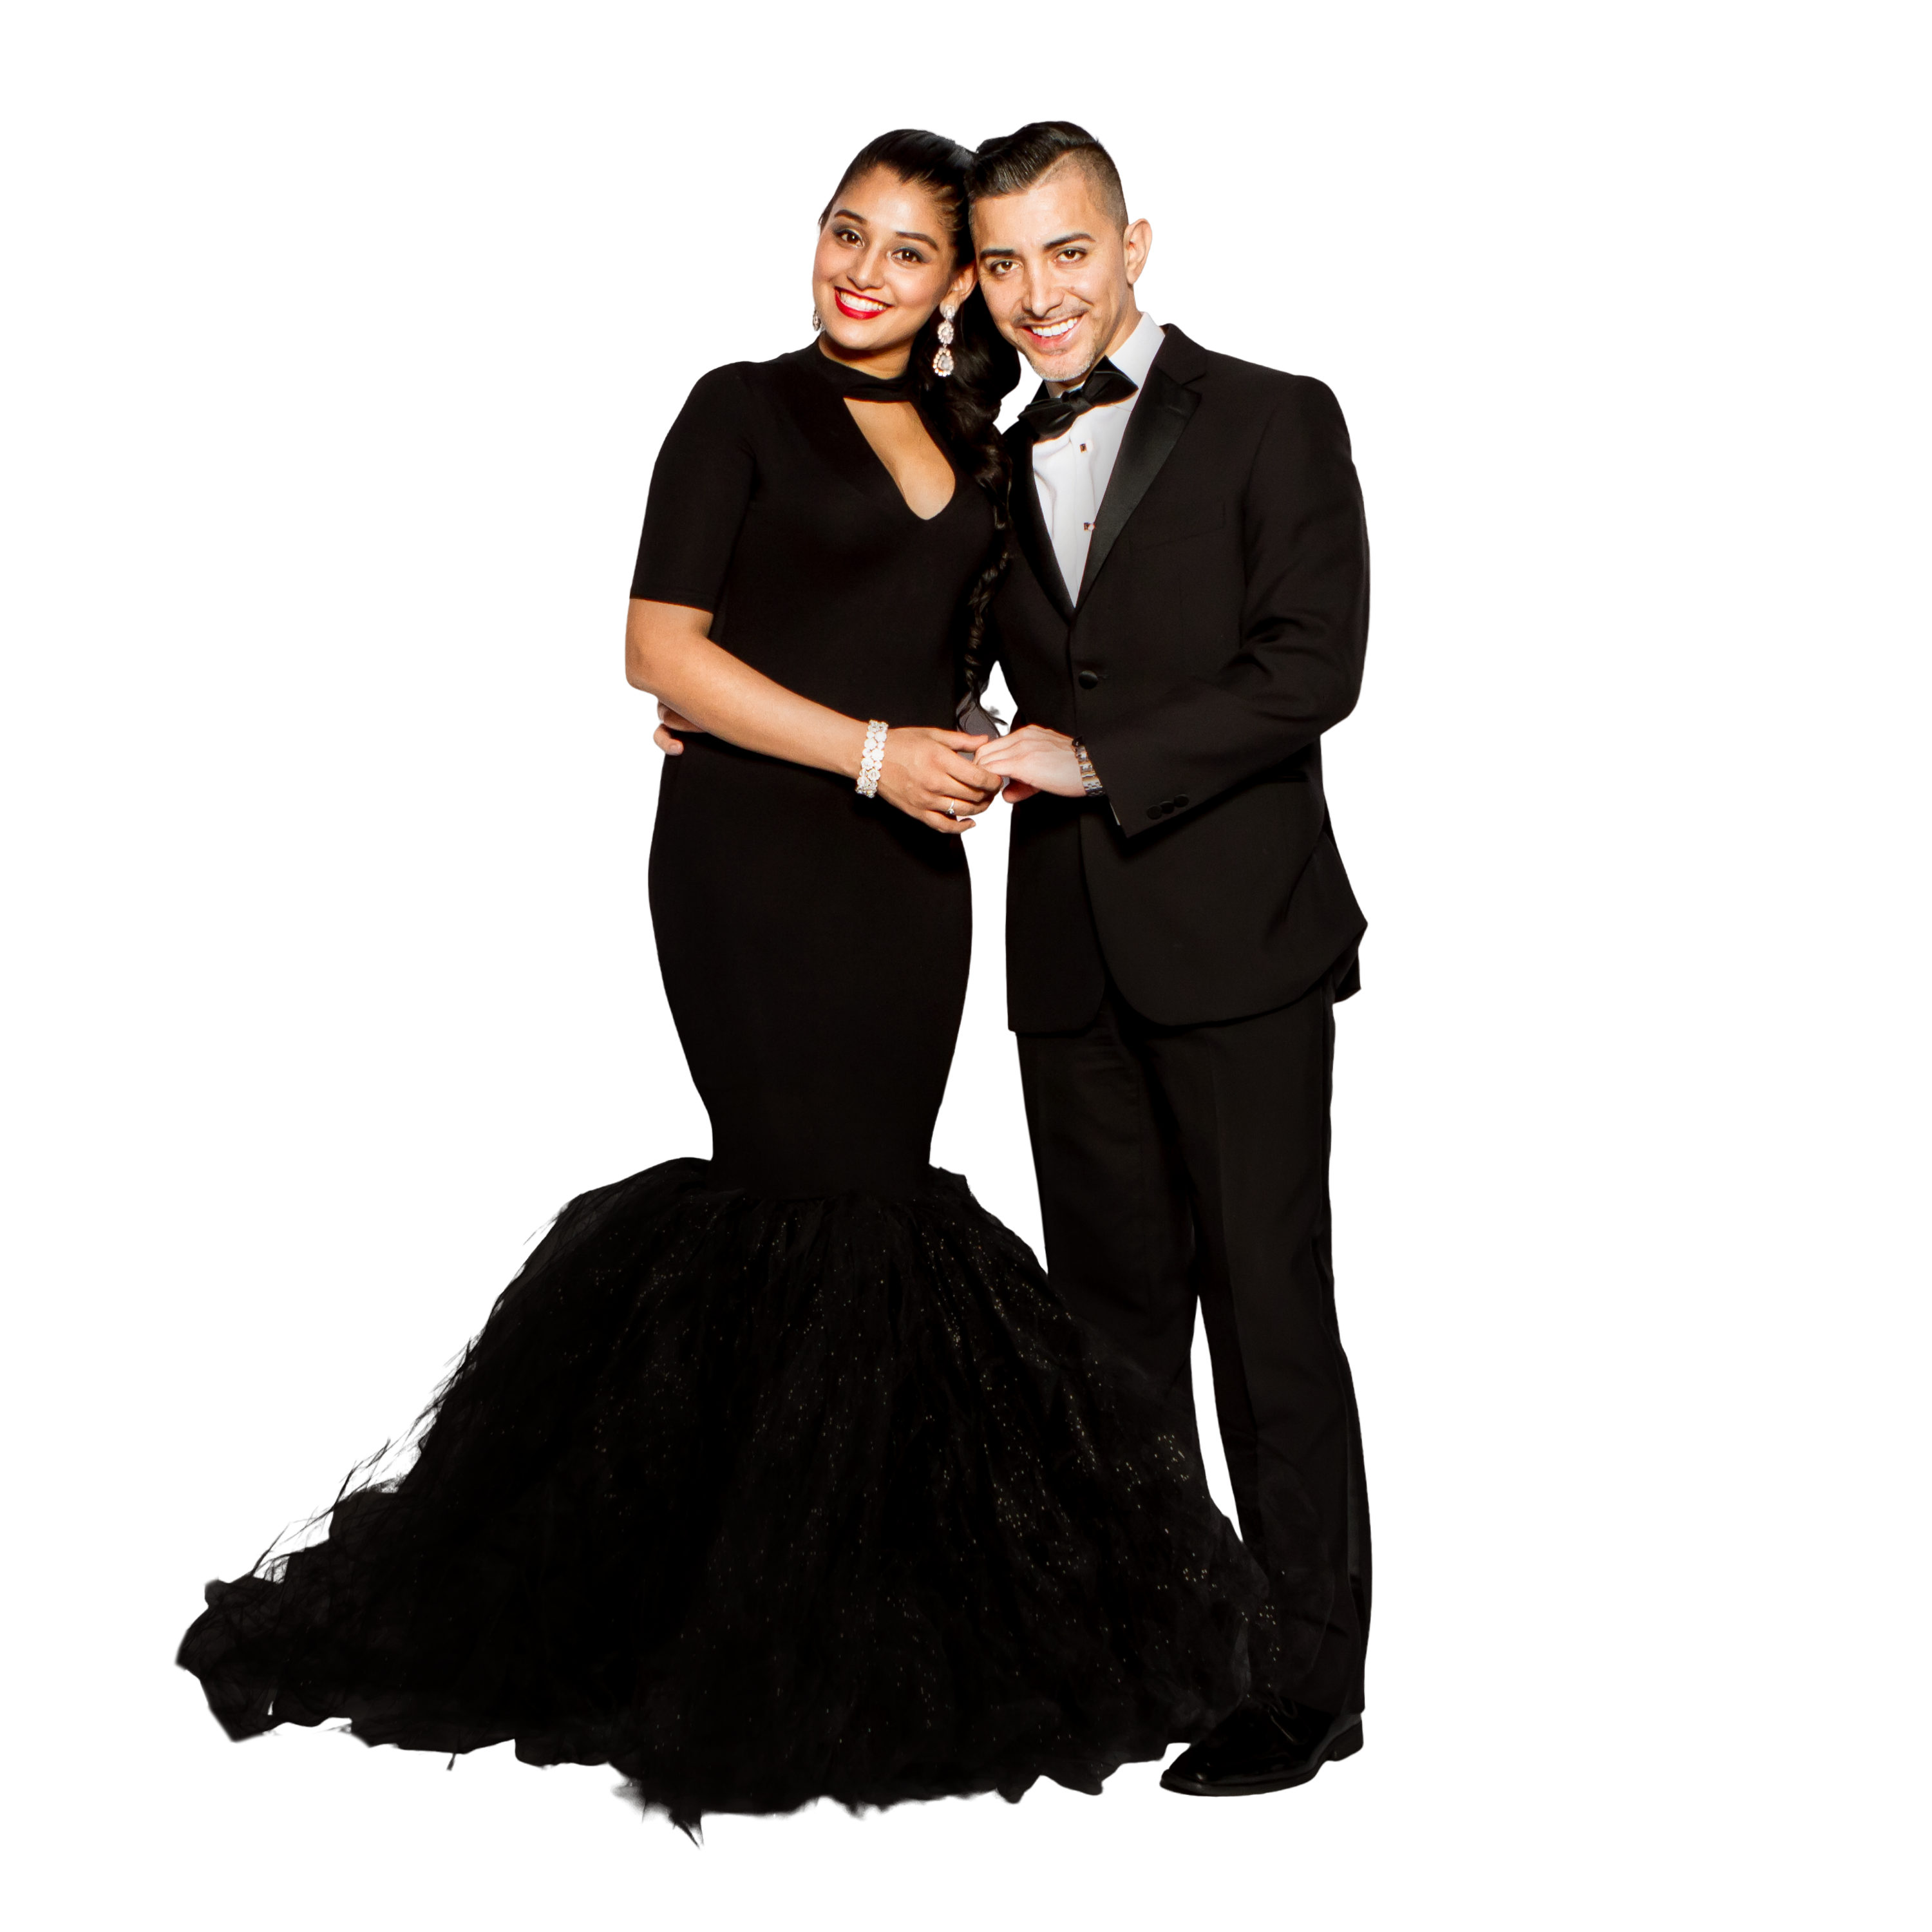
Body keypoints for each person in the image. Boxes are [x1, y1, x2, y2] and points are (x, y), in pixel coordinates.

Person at [173, 129, 1264, 1836]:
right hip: (755, 870)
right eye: (846, 232)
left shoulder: (983, 434)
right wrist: (867, 750)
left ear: (958, 288)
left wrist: (975, 750)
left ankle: (843, 1628)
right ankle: (706, 1649)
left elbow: (964, 651)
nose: (864, 272)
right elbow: (656, 649)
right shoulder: (737, 407)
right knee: (786, 1216)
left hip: (904, 893)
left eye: (911, 251)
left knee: (876, 1219)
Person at [963, 122, 1374, 1797]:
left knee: (1263, 1315)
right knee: (1113, 1329)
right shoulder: (981, 439)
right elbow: (971, 655)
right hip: (1067, 949)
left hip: (1240, 940)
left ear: (1138, 243)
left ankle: (1300, 1670)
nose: (1037, 294)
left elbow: (1311, 669)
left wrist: (1096, 761)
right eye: (1002, 264)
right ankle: (1153, 1655)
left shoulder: (1274, 413)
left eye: (1068, 252)